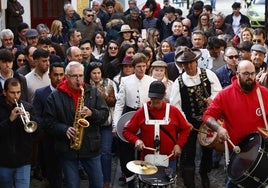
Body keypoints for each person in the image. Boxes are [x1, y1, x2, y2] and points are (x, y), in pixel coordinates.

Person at [203, 60, 268, 188]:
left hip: (261, 150)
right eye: (245, 74)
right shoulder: (225, 94)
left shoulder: (264, 93)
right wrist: (219, 129)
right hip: (238, 152)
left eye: (252, 73)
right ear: (237, 74)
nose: (250, 77)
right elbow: (208, 116)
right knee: (236, 184)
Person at [44, 61, 109, 188]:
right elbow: (48, 122)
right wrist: (64, 129)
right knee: (72, 184)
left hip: (91, 147)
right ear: (66, 77)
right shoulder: (55, 96)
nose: (78, 79)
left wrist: (92, 113)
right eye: (74, 76)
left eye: (81, 75)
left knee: (97, 183)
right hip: (67, 148)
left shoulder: (93, 92)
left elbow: (105, 114)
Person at [170, 46, 222, 188]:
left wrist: (212, 100)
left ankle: (204, 173)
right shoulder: (178, 82)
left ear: (196, 62)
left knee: (207, 151)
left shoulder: (209, 74)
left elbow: (219, 93)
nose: (189, 66)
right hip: (189, 124)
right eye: (185, 64)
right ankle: (189, 181)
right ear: (182, 65)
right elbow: (176, 107)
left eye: (191, 62)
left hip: (208, 121)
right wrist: (185, 123)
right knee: (188, 152)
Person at [123, 80, 191, 171]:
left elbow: (185, 129)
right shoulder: (141, 112)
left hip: (169, 158)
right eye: (152, 97)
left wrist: (179, 145)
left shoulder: (173, 111)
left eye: (158, 97)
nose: (155, 100)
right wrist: (136, 140)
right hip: (147, 159)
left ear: (164, 95)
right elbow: (127, 131)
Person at [112, 53, 155, 188]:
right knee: (126, 150)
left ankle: (144, 179)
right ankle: (129, 178)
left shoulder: (151, 81)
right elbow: (119, 104)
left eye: (143, 66)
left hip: (146, 116)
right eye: (138, 66)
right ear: (133, 67)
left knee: (144, 149)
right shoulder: (125, 81)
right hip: (129, 116)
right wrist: (115, 124)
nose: (141, 69)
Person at [0, 77, 37, 188]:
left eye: (18, 92)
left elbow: (37, 134)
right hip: (3, 161)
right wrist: (9, 120)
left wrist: (31, 120)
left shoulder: (28, 107)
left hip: (23, 160)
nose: (16, 96)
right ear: (4, 92)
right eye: (12, 92)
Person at [85, 61, 117, 188]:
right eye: (94, 73)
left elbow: (114, 101)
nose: (97, 76)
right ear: (90, 74)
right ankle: (95, 180)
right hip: (92, 123)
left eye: (99, 73)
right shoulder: (86, 85)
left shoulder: (109, 83)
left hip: (106, 123)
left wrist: (103, 96)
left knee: (106, 152)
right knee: (93, 154)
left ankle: (106, 181)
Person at [32, 63, 65, 187]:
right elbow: (37, 115)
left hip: (67, 137)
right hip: (49, 138)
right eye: (55, 74)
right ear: (49, 75)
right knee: (52, 172)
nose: (59, 78)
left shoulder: (70, 92)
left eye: (61, 75)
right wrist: (49, 127)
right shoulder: (40, 93)